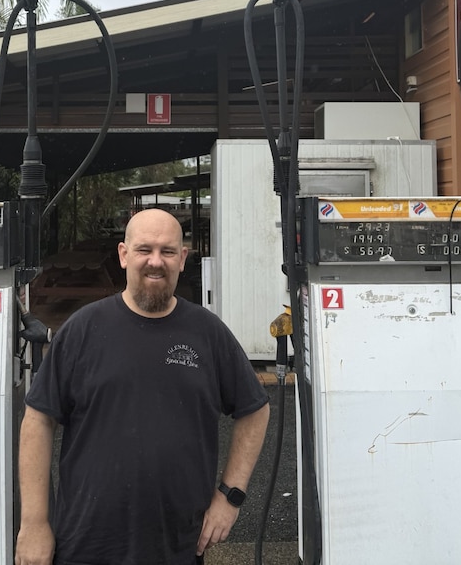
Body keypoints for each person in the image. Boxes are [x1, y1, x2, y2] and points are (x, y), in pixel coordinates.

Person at [15, 208, 270, 565]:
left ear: (183, 259)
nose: (155, 262)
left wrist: (230, 497)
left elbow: (255, 410)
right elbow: (37, 421)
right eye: (144, 250)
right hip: (85, 542)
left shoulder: (208, 333)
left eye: (167, 251)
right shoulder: (83, 330)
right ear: (123, 255)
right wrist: (35, 523)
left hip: (178, 544)